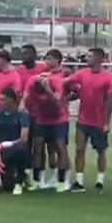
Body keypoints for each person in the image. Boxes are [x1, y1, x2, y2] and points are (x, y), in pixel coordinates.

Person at [66, 48, 112, 193]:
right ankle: (79, 182)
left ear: (99, 58)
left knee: (100, 150)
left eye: (90, 56)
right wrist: (71, 92)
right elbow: (66, 82)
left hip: (99, 121)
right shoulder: (82, 74)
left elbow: (109, 101)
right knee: (80, 149)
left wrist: (107, 122)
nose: (87, 58)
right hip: (83, 120)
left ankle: (100, 180)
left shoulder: (107, 77)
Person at [26, 49, 72, 193]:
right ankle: (38, 180)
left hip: (59, 118)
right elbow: (27, 97)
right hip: (41, 118)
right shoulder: (35, 79)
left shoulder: (58, 79)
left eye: (50, 59)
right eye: (46, 59)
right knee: (38, 147)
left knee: (60, 147)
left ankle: (62, 180)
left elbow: (58, 101)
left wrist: (48, 90)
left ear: (58, 60)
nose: (47, 62)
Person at [16, 44, 47, 186]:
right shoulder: (19, 70)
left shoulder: (42, 69)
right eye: (22, 54)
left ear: (34, 55)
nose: (23, 57)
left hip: (41, 113)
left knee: (40, 145)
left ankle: (39, 176)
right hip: (24, 113)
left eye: (26, 54)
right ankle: (26, 175)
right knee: (24, 145)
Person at [0, 88, 31, 196]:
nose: (0, 102)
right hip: (4, 151)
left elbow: (24, 138)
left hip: (16, 147)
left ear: (11, 100)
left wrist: (7, 144)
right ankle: (0, 176)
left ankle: (19, 181)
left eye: (3, 100)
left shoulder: (22, 115)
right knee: (7, 187)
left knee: (20, 150)